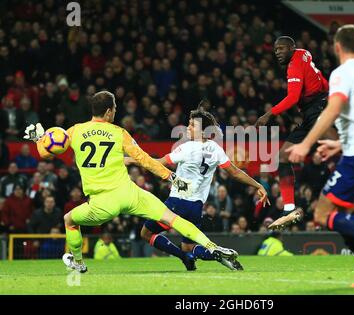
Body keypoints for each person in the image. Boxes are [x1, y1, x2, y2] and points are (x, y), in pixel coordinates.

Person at [24, 90, 237, 273]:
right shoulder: (120, 133)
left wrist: (38, 140)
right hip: (130, 193)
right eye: (114, 108)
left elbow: (46, 153)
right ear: (108, 112)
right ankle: (211, 246)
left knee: (70, 219)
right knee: (172, 218)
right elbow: (143, 159)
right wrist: (169, 176)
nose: (115, 112)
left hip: (101, 203)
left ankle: (78, 262)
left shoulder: (75, 131)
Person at [273, 25, 354, 287]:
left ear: (336, 47)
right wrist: (340, 146)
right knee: (344, 220)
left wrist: (305, 144)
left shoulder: (342, 73)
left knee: (323, 214)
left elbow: (331, 111)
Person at [127, 102, 270, 271]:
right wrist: (257, 184)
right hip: (196, 207)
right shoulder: (215, 149)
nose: (188, 127)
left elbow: (158, 163)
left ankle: (184, 257)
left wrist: (130, 160)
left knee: (146, 233)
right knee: (189, 247)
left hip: (177, 202)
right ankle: (218, 254)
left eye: (192, 125)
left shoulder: (187, 148)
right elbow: (235, 172)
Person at [255, 36, 331, 217]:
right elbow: (320, 82)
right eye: (275, 50)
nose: (278, 53)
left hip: (319, 109)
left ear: (291, 48)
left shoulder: (294, 65)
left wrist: (268, 114)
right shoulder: (304, 54)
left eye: (281, 49)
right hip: (315, 109)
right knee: (282, 158)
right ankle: (289, 208)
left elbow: (292, 98)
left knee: (339, 146)